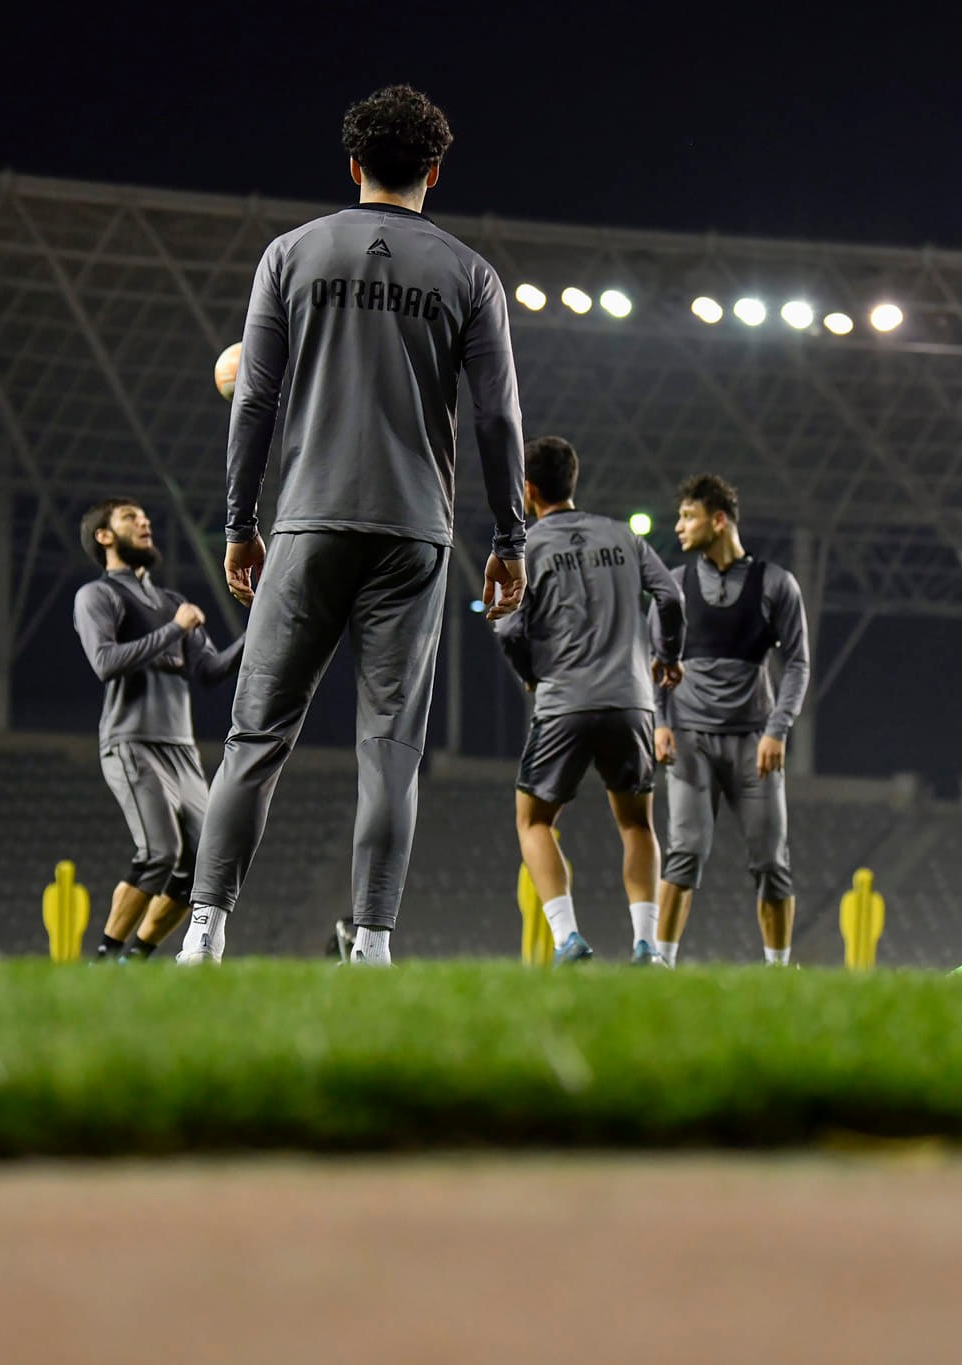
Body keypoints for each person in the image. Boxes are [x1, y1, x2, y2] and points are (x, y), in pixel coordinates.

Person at [177, 84, 527, 965]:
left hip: (307, 524)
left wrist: (238, 522)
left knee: (254, 738)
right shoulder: (470, 274)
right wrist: (511, 538)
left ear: (352, 165)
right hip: (415, 534)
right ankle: (371, 941)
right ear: (435, 172)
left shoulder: (291, 253)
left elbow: (253, 397)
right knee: (390, 749)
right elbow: (497, 419)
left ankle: (205, 931)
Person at [494, 437, 684, 965]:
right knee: (636, 824)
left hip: (564, 702)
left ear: (528, 490)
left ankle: (568, 939)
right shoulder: (624, 536)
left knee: (533, 821)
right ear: (572, 481)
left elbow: (508, 630)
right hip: (631, 701)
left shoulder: (527, 547)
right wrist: (668, 654)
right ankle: (647, 946)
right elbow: (670, 596)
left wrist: (533, 676)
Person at [650, 474, 811, 966]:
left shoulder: (776, 584)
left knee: (771, 864)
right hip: (690, 744)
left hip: (752, 745)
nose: (679, 526)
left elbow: (800, 664)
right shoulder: (673, 585)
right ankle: (660, 964)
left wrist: (777, 731)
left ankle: (779, 971)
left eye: (688, 516)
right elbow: (654, 661)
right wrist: (660, 721)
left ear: (718, 521)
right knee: (684, 856)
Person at [75, 498, 243, 960]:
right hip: (133, 742)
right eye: (130, 518)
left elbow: (209, 671)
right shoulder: (99, 596)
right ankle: (105, 959)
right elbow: (106, 663)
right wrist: (174, 629)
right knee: (160, 852)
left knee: (205, 863)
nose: (144, 522)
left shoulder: (172, 602)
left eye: (146, 517)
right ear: (104, 536)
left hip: (182, 750)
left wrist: (262, 629)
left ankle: (137, 957)